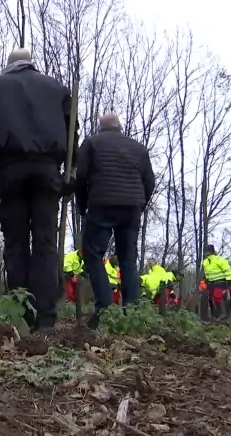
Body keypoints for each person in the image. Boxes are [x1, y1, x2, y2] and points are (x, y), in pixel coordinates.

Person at [0, 48, 76, 332]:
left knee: (15, 243)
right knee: (45, 244)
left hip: (12, 170)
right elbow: (71, 130)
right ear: (31, 64)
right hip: (47, 171)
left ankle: (21, 314)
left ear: (9, 66)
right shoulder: (57, 89)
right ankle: (46, 317)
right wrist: (70, 170)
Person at [75, 114, 155, 329]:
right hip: (131, 207)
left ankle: (105, 310)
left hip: (102, 204)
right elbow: (149, 181)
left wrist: (82, 205)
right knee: (128, 258)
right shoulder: (138, 148)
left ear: (101, 128)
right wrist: (140, 204)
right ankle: (131, 311)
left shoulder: (92, 143)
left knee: (93, 254)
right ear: (119, 127)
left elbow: (80, 177)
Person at [201, 244, 231, 318]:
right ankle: (218, 314)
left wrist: (229, 281)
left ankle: (224, 313)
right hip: (211, 282)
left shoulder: (220, 259)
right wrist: (206, 280)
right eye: (205, 251)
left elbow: (227, 270)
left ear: (211, 251)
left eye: (207, 251)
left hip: (220, 281)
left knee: (218, 296)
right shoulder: (205, 262)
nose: (206, 253)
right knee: (213, 298)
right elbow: (207, 272)